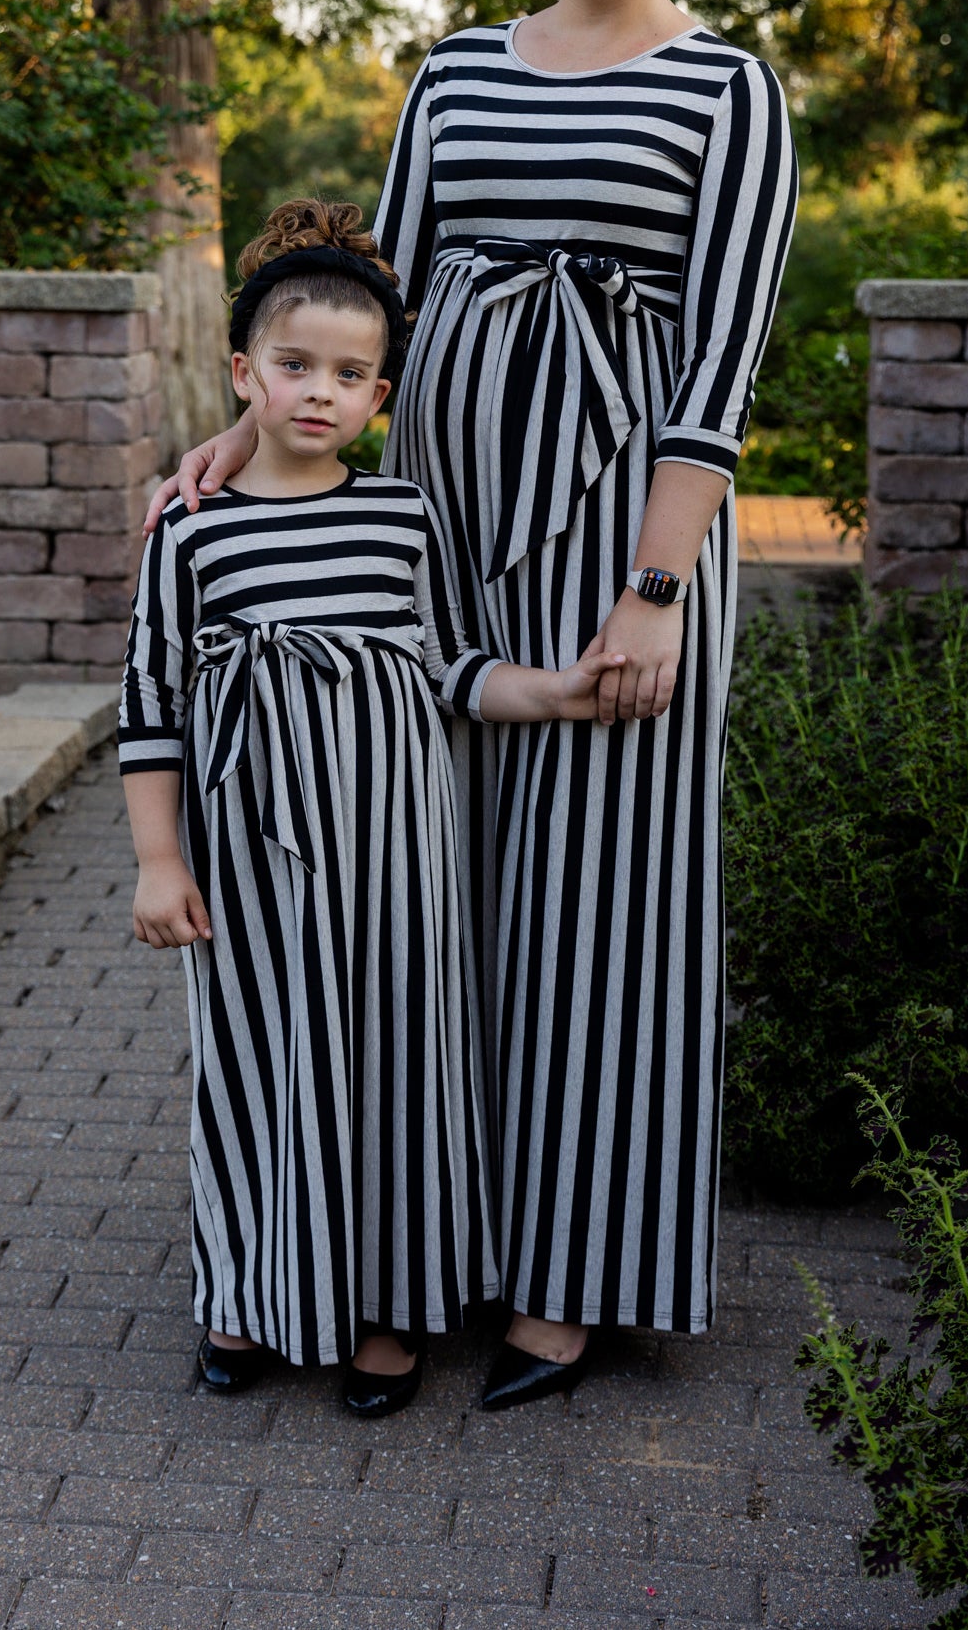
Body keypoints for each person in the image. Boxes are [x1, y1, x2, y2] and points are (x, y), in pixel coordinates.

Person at [146, 0, 799, 1409]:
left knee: (606, 915)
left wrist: (653, 594)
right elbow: (374, 313)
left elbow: (716, 370)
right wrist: (242, 452)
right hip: (434, 541)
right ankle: (435, 1242)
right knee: (446, 904)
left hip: (621, 547)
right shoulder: (453, 77)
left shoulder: (728, 90)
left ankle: (578, 1281)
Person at [118, 198, 622, 1419]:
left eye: (350, 374)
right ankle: (246, 1290)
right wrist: (156, 861)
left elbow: (449, 665)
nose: (318, 393)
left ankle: (388, 1311)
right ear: (243, 373)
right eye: (293, 367)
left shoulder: (401, 516)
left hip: (401, 853)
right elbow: (149, 700)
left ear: (381, 392)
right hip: (248, 856)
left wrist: (554, 690)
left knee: (399, 1065)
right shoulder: (190, 531)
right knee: (253, 1067)